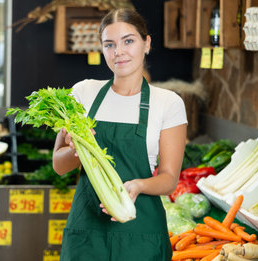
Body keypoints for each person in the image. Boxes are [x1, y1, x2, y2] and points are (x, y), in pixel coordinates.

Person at [53, 9, 187, 261]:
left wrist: (136, 186)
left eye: (128, 41)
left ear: (146, 43)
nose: (119, 52)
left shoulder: (168, 102)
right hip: (87, 231)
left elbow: (169, 179)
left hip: (142, 231)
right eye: (109, 44)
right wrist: (78, 148)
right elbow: (59, 166)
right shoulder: (83, 93)